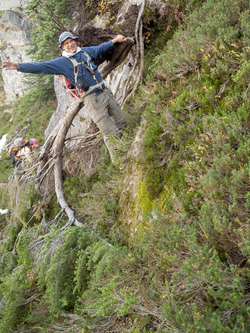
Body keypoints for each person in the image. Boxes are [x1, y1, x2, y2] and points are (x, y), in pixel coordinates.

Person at [3, 32, 127, 162]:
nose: (70, 44)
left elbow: (100, 48)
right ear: (62, 47)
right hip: (92, 99)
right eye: (66, 43)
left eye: (71, 41)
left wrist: (115, 40)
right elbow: (41, 66)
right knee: (109, 131)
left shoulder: (84, 52)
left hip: (105, 91)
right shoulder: (61, 62)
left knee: (121, 121)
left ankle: (127, 144)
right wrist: (18, 66)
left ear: (76, 41)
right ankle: (120, 161)